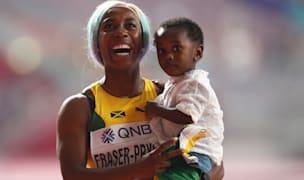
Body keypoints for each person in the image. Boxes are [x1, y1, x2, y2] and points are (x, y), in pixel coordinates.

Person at [56, 1, 224, 180]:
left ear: (143, 43)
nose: (121, 32)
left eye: (130, 26)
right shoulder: (80, 107)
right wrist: (138, 170)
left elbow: (216, 165)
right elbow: (72, 175)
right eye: (109, 26)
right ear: (96, 43)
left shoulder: (166, 95)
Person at [146, 17, 224, 180]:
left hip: (197, 152)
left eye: (176, 49)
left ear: (197, 53)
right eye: (162, 51)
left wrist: (157, 109)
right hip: (179, 151)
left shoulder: (195, 83)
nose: (168, 56)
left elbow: (186, 115)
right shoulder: (175, 83)